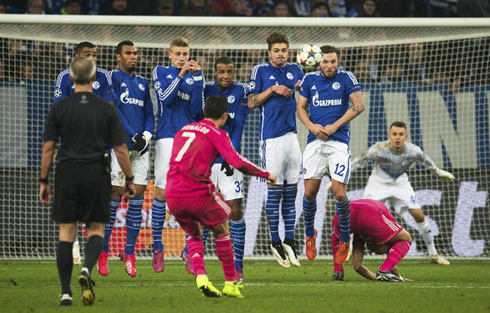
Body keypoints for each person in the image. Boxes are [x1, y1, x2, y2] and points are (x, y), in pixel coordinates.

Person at [39, 57, 136, 306]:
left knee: (66, 232)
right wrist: (130, 178)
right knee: (96, 229)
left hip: (67, 171)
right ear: (94, 79)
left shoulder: (60, 108)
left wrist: (43, 180)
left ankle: (65, 293)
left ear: (70, 79)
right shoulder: (106, 108)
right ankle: (86, 271)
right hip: (96, 172)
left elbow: (48, 148)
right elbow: (121, 149)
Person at [166, 96, 276, 298]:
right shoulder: (218, 134)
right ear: (224, 116)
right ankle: (230, 283)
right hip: (195, 193)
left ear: (205, 112)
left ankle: (201, 277)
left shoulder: (184, 130)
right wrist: (266, 174)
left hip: (172, 194)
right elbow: (237, 162)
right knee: (224, 223)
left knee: (195, 233)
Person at [340, 121, 454, 265]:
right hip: (378, 184)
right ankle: (348, 249)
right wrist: (342, 176)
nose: (397, 137)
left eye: (400, 134)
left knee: (418, 215)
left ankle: (433, 254)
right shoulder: (379, 149)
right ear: (389, 136)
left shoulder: (413, 151)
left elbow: (426, 161)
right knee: (363, 218)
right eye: (394, 134)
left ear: (405, 136)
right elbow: (359, 160)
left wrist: (438, 172)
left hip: (400, 183)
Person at [182, 56, 250, 280]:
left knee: (235, 209)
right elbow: (195, 114)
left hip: (228, 160)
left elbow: (238, 126)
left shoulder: (239, 91)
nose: (225, 76)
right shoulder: (206, 89)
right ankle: (192, 255)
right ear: (214, 72)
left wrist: (231, 156)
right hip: (206, 159)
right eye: (221, 72)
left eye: (229, 71)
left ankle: (238, 265)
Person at [297, 45, 364, 264]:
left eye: (333, 61)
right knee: (309, 193)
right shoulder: (309, 80)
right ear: (318, 62)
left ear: (338, 61)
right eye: (325, 61)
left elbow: (359, 105)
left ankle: (345, 238)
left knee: (339, 194)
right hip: (315, 141)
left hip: (338, 143)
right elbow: (300, 109)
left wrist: (334, 126)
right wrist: (312, 126)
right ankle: (310, 234)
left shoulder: (346, 78)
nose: (329, 66)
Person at [96, 41, 155, 278]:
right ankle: (103, 251)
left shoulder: (142, 82)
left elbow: (149, 112)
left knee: (138, 195)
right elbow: (114, 110)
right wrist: (133, 134)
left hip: (140, 147)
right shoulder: (112, 78)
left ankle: (129, 253)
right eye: (129, 53)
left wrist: (147, 134)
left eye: (136, 53)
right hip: (119, 144)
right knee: (115, 193)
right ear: (118, 57)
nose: (134, 56)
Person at [247, 32, 303, 268]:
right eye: (276, 50)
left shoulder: (297, 70)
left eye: (284, 50)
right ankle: (274, 241)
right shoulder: (260, 71)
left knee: (292, 191)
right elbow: (250, 103)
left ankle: (289, 240)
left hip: (292, 136)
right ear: (269, 52)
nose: (281, 54)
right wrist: (273, 89)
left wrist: (304, 87)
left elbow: (305, 95)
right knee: (275, 190)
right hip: (271, 139)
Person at [151, 36, 205, 274]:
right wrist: (182, 74)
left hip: (188, 138)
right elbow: (165, 98)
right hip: (166, 136)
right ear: (169, 54)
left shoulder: (193, 76)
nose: (183, 58)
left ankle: (188, 250)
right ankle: (157, 248)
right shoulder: (161, 72)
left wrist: (200, 80)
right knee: (162, 192)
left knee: (191, 194)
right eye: (179, 54)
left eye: (186, 54)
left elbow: (197, 111)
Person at [331, 199, 413, 282]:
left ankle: (338, 271)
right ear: (385, 243)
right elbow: (393, 264)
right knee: (406, 238)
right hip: (369, 213)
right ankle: (384, 270)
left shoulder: (360, 234)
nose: (383, 252)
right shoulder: (387, 225)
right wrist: (391, 272)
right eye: (382, 251)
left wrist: (386, 278)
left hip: (343, 213)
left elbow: (357, 266)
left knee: (335, 237)